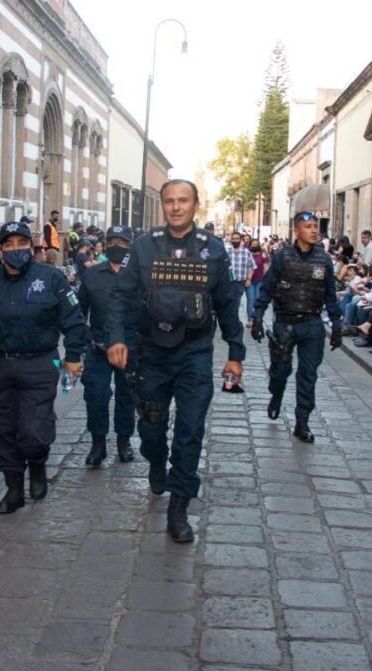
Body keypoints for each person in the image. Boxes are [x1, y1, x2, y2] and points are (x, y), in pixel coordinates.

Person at [106, 179, 245, 543]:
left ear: (196, 205)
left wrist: (235, 352)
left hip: (195, 354)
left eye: (183, 200)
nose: (176, 207)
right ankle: (155, 459)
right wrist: (117, 338)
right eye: (169, 201)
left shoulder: (213, 251)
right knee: (151, 427)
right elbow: (121, 297)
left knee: (190, 430)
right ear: (163, 206)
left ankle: (179, 506)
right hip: (152, 353)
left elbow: (228, 303)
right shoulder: (143, 248)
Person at [0, 221, 87, 514]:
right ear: (0, 248)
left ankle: (37, 464)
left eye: (21, 244)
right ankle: (13, 487)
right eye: (8, 245)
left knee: (34, 431)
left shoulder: (51, 278)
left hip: (39, 364)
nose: (15, 250)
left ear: (31, 245)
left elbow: (74, 321)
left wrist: (74, 356)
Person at [251, 210, 341, 441]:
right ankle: (277, 393)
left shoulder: (324, 259)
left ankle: (302, 421)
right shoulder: (282, 256)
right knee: (280, 370)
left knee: (308, 374)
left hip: (312, 324)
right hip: (285, 323)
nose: (314, 230)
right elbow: (267, 287)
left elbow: (330, 293)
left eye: (315, 226)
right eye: (308, 226)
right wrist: (258, 316)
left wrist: (337, 324)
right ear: (297, 230)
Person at [78, 225, 139, 466]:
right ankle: (98, 443)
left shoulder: (137, 275)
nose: (116, 246)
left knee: (127, 395)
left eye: (122, 243)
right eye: (111, 242)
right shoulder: (92, 274)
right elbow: (80, 310)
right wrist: (83, 339)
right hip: (98, 346)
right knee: (96, 394)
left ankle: (123, 441)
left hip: (130, 345)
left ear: (129, 246)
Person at [226, 231, 256, 316]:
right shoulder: (227, 252)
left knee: (242, 301)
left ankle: (246, 320)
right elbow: (224, 268)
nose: (235, 240)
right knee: (234, 302)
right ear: (231, 240)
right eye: (233, 239)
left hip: (242, 281)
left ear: (240, 240)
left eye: (237, 239)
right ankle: (233, 320)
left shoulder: (246, 252)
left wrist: (249, 279)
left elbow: (252, 266)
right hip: (231, 282)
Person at [246, 240, 269, 328]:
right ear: (250, 245)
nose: (254, 246)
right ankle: (250, 320)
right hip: (249, 280)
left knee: (257, 300)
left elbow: (265, 268)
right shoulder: (248, 254)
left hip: (260, 281)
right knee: (250, 300)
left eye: (256, 244)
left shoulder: (263, 255)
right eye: (253, 244)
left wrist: (266, 280)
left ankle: (257, 319)